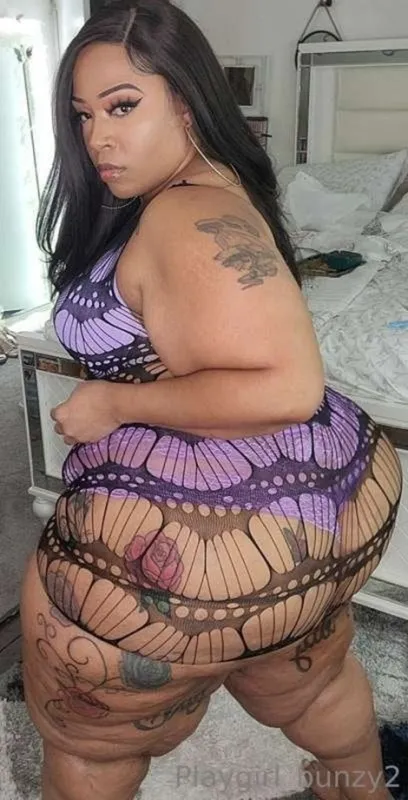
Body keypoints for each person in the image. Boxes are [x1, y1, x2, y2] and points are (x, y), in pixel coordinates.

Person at [19, 2, 402, 799]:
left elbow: (285, 386)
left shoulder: (185, 213)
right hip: (319, 517)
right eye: (83, 115)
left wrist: (112, 405)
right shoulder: (223, 184)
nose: (97, 139)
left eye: (123, 106)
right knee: (314, 689)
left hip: (191, 548)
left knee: (91, 749)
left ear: (188, 102)